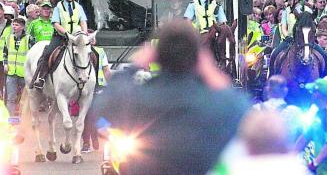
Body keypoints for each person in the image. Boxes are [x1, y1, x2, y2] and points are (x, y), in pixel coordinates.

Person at [94, 20, 250, 175]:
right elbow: (244, 111)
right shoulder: (219, 105)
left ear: (156, 56)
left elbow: (101, 106)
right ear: (200, 57)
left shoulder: (138, 100)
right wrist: (215, 76)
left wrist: (134, 66)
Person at [32, 0, 87, 89]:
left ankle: (96, 78)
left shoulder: (78, 7)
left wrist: (84, 33)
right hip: (61, 37)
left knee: (92, 53)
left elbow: (83, 21)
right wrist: (66, 33)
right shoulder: (58, 7)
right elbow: (56, 23)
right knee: (48, 53)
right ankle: (41, 77)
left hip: (76, 38)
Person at [2, 16, 30, 117]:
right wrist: (5, 64)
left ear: (22, 27)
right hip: (11, 72)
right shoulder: (9, 38)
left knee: (26, 98)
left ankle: (24, 119)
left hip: (24, 74)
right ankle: (11, 118)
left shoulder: (29, 38)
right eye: (13, 24)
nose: (14, 26)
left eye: (17, 25)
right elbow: (5, 52)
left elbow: (31, 55)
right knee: (11, 98)